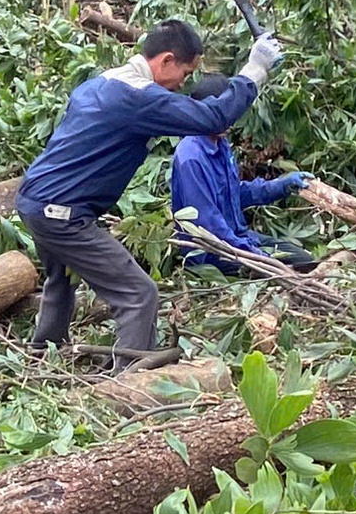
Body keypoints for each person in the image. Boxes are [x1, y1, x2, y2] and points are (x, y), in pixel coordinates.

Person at [17, 18, 281, 366]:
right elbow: (213, 118)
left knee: (60, 279)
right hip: (62, 213)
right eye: (185, 74)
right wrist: (255, 69)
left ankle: (43, 358)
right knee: (139, 294)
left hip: (35, 201)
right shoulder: (137, 97)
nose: (181, 84)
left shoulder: (103, 82)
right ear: (167, 60)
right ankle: (127, 385)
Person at [169, 78, 314, 274]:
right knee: (282, 272)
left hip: (240, 237)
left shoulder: (220, 144)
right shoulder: (191, 158)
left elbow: (236, 193)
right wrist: (256, 256)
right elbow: (209, 226)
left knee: (305, 260)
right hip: (214, 253)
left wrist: (282, 185)